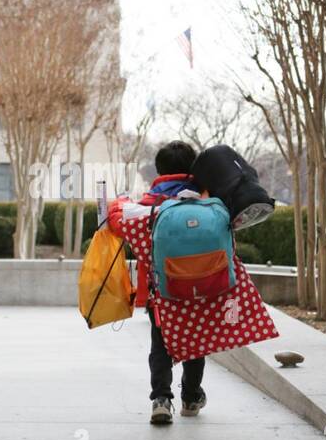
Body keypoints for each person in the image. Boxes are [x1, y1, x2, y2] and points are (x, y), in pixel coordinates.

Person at [107, 140, 278, 425]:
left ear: (159, 171)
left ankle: (161, 399)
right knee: (196, 343)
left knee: (161, 345)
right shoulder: (212, 201)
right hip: (206, 287)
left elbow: (115, 222)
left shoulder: (148, 208)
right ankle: (190, 396)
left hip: (163, 292)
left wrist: (118, 203)